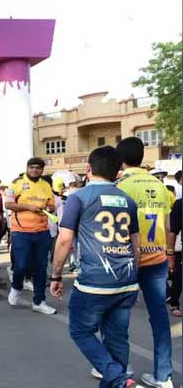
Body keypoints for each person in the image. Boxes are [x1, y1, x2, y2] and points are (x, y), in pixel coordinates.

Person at [50, 146, 141, 388]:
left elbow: (64, 240)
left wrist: (55, 275)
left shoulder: (78, 198)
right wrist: (134, 277)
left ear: (88, 169)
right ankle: (117, 380)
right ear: (117, 172)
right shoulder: (128, 201)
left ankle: (119, 379)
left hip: (94, 282)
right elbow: (136, 245)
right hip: (127, 280)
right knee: (117, 338)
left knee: (80, 331)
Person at [116, 137, 174, 388]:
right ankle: (164, 377)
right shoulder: (161, 185)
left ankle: (121, 369)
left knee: (118, 316)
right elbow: (169, 223)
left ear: (121, 159)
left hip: (127, 259)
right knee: (160, 319)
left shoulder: (121, 185)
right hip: (157, 258)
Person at [5, 157, 58, 315]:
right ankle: (16, 287)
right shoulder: (16, 183)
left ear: (42, 170)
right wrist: (28, 207)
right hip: (21, 232)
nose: (35, 170)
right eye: (32, 167)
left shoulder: (46, 185)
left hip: (42, 231)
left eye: (38, 168)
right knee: (21, 265)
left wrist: (48, 207)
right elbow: (8, 204)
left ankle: (39, 301)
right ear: (27, 168)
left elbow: (52, 204)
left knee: (41, 267)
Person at [168, 196, 182, 317]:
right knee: (179, 278)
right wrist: (170, 253)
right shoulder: (180, 204)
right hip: (180, 251)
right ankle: (174, 303)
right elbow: (173, 231)